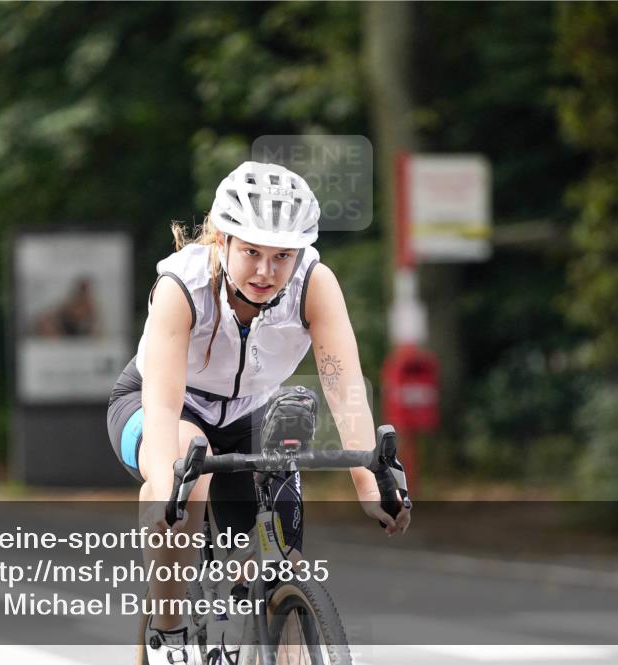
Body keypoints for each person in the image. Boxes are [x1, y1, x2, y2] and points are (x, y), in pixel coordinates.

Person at [107, 161, 411, 665]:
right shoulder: (180, 288)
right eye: (251, 252)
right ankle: (169, 632)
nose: (266, 271)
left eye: (282, 256)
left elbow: (344, 384)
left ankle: (264, 626)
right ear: (223, 241)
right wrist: (168, 494)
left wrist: (368, 481)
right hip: (159, 404)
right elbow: (162, 407)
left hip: (249, 411)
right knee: (187, 467)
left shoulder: (315, 283)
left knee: (275, 555)